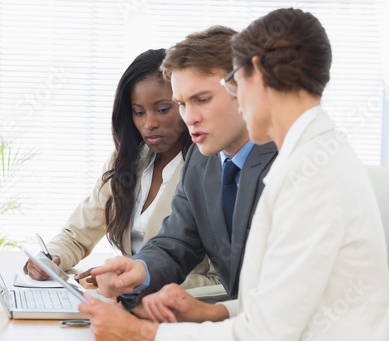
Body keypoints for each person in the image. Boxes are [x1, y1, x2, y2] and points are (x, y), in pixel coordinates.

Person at [79, 8, 389, 341]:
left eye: (236, 82)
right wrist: (214, 312)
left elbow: (266, 332)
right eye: (182, 103)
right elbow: (280, 303)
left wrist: (141, 333)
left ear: (257, 75)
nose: (238, 95)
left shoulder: (310, 174)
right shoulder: (304, 157)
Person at [82, 25, 277, 309]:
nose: (190, 118)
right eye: (182, 104)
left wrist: (210, 315)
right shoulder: (201, 162)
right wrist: (139, 271)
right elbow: (175, 244)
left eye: (202, 100)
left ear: (246, 88)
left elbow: (288, 294)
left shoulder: (290, 162)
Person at [25, 48, 221, 289]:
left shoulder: (210, 169)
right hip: (128, 301)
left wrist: (129, 279)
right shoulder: (127, 162)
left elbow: (218, 280)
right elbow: (78, 233)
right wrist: (52, 258)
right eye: (139, 112)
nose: (149, 123)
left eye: (162, 109)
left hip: (181, 309)